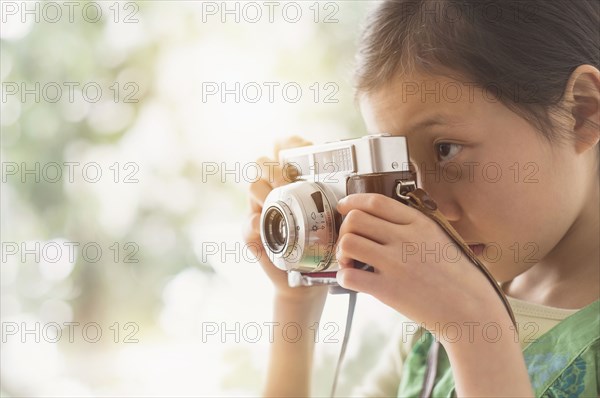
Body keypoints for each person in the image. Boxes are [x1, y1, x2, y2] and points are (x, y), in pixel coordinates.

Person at [243, 0, 599, 396]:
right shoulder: (427, 333)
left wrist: (475, 332)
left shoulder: (454, 315)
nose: (426, 205)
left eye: (446, 149)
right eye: (403, 169)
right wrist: (295, 303)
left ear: (582, 112)